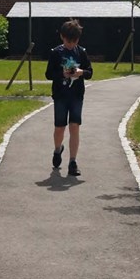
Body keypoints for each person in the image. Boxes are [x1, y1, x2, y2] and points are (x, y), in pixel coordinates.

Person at [45, 19, 93, 176]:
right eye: (68, 41)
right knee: (60, 127)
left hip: (76, 96)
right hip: (60, 96)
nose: (71, 44)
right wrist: (62, 74)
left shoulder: (82, 52)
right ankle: (58, 149)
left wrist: (81, 73)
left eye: (74, 42)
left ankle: (73, 161)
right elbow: (48, 74)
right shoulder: (56, 53)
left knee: (74, 127)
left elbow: (90, 72)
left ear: (78, 40)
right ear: (62, 37)